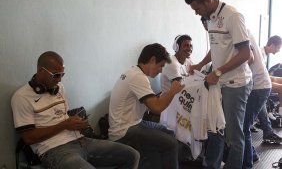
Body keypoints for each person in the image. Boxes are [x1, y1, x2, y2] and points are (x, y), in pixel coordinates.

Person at [11, 51, 139, 169]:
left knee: (132, 155)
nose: (59, 80)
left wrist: (78, 125)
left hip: (80, 141)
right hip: (54, 150)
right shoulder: (22, 97)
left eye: (62, 75)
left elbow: (62, 118)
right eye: (56, 75)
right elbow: (28, 138)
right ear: (41, 71)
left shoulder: (59, 88)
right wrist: (64, 125)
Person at [185, 0, 253, 169]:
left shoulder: (233, 16)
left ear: (208, 1)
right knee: (216, 129)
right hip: (219, 83)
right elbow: (216, 48)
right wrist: (200, 65)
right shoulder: (210, 19)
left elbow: (246, 54)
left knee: (233, 135)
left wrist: (217, 72)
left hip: (235, 84)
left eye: (197, 9)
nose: (196, 13)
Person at [108, 43, 184, 169]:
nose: (161, 70)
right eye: (161, 66)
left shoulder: (134, 72)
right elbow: (157, 108)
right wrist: (172, 91)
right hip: (124, 131)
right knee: (172, 144)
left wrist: (168, 94)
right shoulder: (138, 77)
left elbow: (153, 103)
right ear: (152, 60)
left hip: (133, 123)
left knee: (168, 132)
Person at [160, 34, 225, 169]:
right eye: (185, 45)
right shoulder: (171, 63)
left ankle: (202, 156)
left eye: (190, 45)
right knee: (206, 121)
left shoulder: (188, 61)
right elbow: (180, 86)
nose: (189, 48)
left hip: (185, 100)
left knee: (208, 120)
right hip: (172, 103)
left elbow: (193, 81)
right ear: (176, 47)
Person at [242, 30, 272, 169]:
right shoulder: (246, 32)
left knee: (243, 127)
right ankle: (251, 155)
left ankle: (248, 161)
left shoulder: (241, 34)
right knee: (243, 126)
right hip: (259, 86)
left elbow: (249, 58)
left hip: (258, 87)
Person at [255, 35, 282, 143]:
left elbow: (264, 75)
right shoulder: (260, 54)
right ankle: (280, 114)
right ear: (272, 45)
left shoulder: (263, 53)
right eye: (278, 48)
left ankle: (268, 131)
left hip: (262, 82)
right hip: (258, 85)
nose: (278, 50)